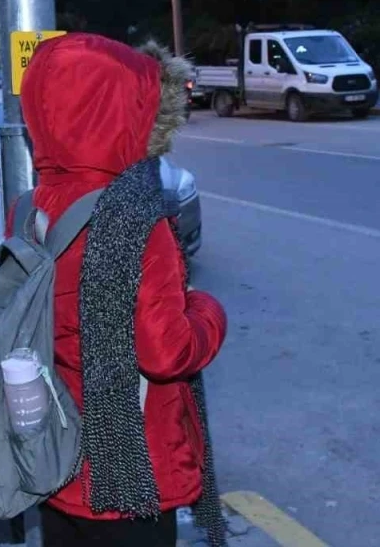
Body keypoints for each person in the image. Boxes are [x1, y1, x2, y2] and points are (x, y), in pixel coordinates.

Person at [16, 33, 228, 547]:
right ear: (124, 112)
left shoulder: (30, 207)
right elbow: (166, 351)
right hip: (129, 475)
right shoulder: (135, 215)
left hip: (55, 453)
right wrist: (207, 311)